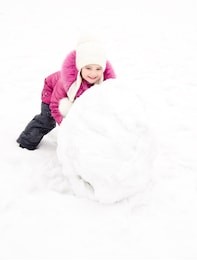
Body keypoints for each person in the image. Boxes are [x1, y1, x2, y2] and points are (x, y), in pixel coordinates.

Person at [16, 35, 116, 150]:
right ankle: (26, 142)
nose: (93, 73)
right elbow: (55, 106)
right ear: (80, 67)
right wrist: (66, 126)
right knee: (47, 120)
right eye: (88, 68)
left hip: (73, 98)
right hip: (52, 93)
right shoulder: (65, 82)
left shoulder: (103, 83)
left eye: (98, 69)